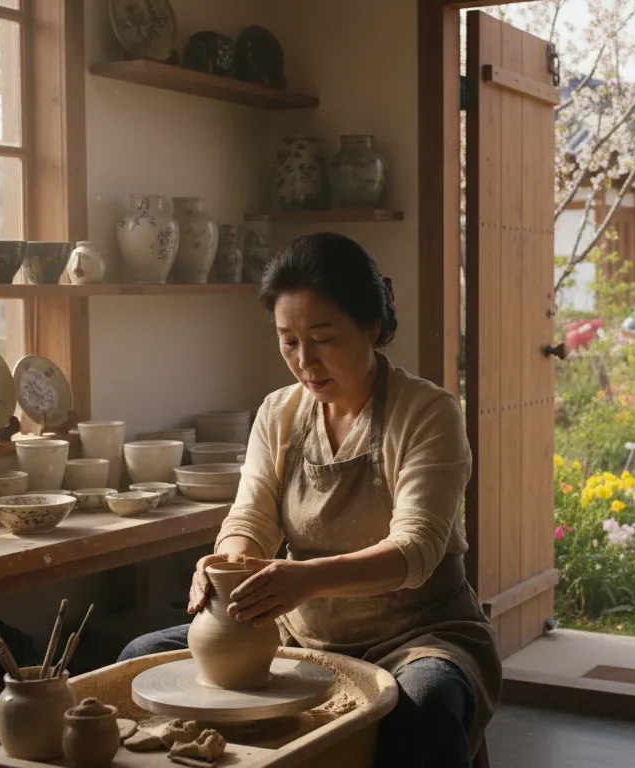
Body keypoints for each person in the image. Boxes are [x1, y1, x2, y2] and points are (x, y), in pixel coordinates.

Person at [118, 233, 500, 768]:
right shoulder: (279, 413)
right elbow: (250, 514)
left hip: (419, 633)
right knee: (140, 661)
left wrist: (306, 579)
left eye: (322, 338)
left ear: (371, 326)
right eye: (288, 341)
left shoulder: (428, 413)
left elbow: (416, 550)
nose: (305, 361)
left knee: (426, 703)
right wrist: (225, 561)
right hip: (299, 629)